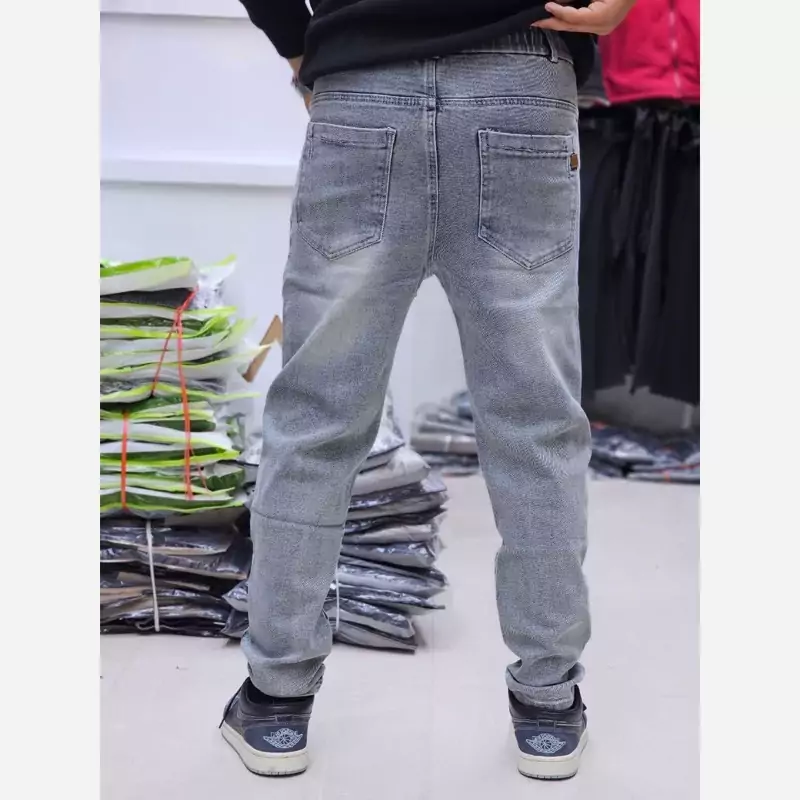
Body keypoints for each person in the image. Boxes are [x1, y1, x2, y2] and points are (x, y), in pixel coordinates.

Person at [219, 0, 636, 782]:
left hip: (362, 81)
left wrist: (301, 45)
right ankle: (548, 707)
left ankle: (275, 703)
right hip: (519, 77)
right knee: (535, 425)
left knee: (317, 420)